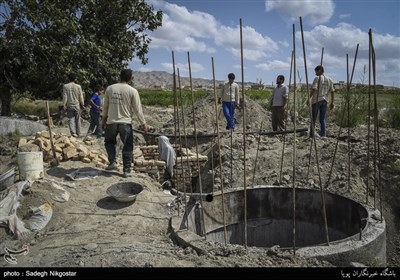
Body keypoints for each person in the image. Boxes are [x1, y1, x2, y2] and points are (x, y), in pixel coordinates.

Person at [101, 69, 148, 178]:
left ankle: (112, 162)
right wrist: (143, 124)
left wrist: (103, 121)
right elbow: (138, 110)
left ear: (120, 76)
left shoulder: (110, 89)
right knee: (127, 146)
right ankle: (126, 170)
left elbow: (105, 107)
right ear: (130, 78)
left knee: (109, 142)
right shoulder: (132, 91)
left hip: (111, 122)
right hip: (125, 123)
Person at [308, 65, 335, 138]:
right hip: (325, 100)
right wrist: (332, 102)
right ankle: (323, 135)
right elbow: (332, 91)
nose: (315, 73)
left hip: (317, 100)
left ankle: (312, 134)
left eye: (316, 71)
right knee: (322, 119)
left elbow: (314, 89)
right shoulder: (330, 79)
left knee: (313, 118)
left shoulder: (317, 78)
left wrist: (308, 98)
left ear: (319, 70)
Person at [62, 73, 85, 137]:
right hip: (77, 105)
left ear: (68, 78)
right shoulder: (78, 86)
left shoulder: (65, 86)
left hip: (69, 105)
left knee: (70, 119)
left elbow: (65, 96)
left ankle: (73, 133)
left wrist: (64, 105)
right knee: (78, 119)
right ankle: (79, 133)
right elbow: (81, 96)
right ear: (75, 79)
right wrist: (82, 104)